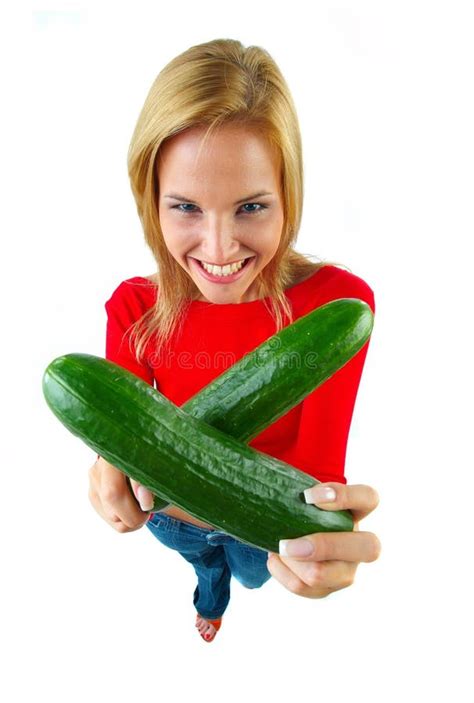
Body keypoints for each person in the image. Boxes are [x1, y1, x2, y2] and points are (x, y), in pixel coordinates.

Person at [88, 38, 381, 643]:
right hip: (171, 519)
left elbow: (319, 468)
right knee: (202, 562)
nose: (219, 250)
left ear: (287, 196)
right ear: (151, 202)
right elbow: (122, 437)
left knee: (252, 573)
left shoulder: (335, 308)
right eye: (186, 207)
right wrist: (104, 464)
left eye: (250, 206)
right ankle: (208, 593)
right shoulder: (134, 309)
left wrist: (321, 531)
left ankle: (222, 588)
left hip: (260, 525)